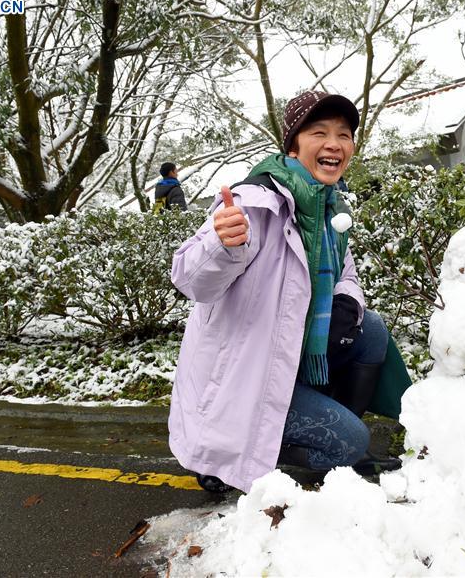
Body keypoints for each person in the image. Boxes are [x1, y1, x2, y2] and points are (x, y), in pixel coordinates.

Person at [169, 91, 409, 493]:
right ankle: (238, 454)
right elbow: (191, 281)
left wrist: (347, 301)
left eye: (344, 134)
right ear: (294, 145)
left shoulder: (329, 210)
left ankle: (326, 436)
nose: (334, 143)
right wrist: (221, 245)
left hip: (290, 359)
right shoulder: (253, 203)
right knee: (351, 443)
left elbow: (345, 274)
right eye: (319, 132)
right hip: (247, 377)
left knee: (372, 329)